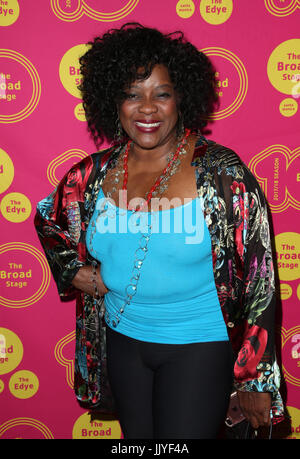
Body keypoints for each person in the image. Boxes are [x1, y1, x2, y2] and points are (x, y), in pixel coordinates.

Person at [34, 23, 283, 439]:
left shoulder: (222, 173)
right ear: (113, 101)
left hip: (198, 347)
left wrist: (255, 377)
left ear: (181, 97)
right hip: (122, 343)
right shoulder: (93, 174)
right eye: (132, 94)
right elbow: (47, 216)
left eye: (161, 94)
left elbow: (260, 276)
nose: (146, 108)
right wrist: (72, 270)